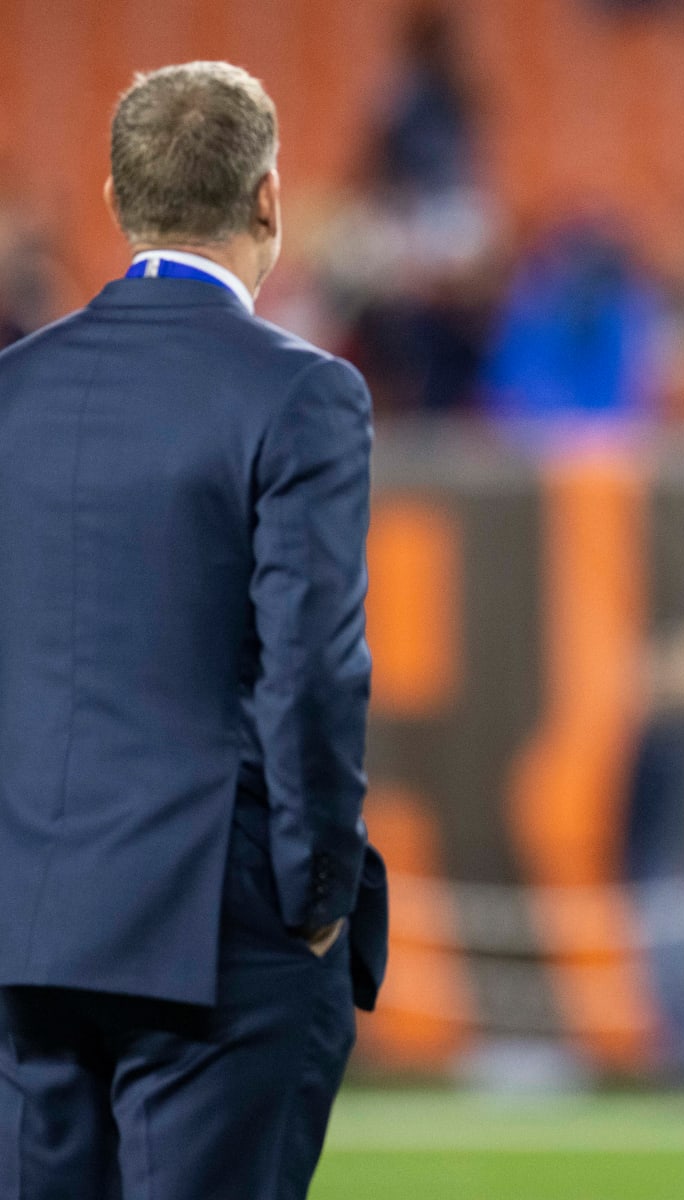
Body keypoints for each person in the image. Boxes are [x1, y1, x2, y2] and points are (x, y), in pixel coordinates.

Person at [0, 62, 387, 1200]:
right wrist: (318, 895)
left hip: (28, 927)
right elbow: (312, 667)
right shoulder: (301, 394)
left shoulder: (11, 393)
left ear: (118, 200)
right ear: (269, 198)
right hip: (216, 934)